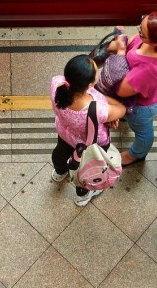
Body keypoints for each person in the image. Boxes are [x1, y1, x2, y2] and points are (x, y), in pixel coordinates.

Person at [50, 54, 127, 206]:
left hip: (65, 133)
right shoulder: (98, 109)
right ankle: (82, 195)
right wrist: (109, 115)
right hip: (88, 145)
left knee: (60, 152)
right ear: (90, 85)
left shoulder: (57, 83)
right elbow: (122, 109)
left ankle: (59, 172)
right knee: (85, 168)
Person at [108, 11, 157, 166]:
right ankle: (123, 117)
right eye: (142, 21)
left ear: (155, 43)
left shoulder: (151, 70)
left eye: (141, 31)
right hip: (152, 93)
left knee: (142, 132)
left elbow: (121, 90)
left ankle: (137, 154)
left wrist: (120, 51)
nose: (137, 28)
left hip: (141, 107)